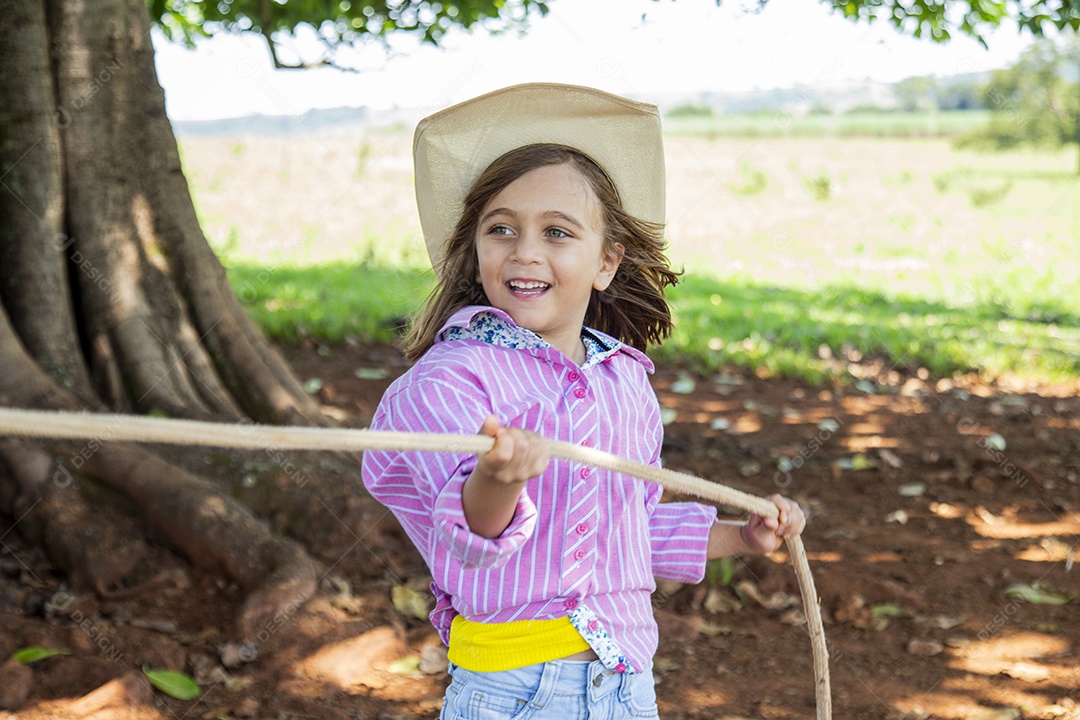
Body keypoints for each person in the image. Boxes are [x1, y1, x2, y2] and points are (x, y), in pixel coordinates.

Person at [361, 83, 806, 720]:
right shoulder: (448, 384)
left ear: (606, 261)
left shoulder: (623, 382)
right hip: (516, 689)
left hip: (627, 683)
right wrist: (497, 480)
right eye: (502, 229)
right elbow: (467, 535)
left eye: (557, 232)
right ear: (477, 249)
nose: (526, 251)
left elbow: (626, 529)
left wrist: (743, 538)